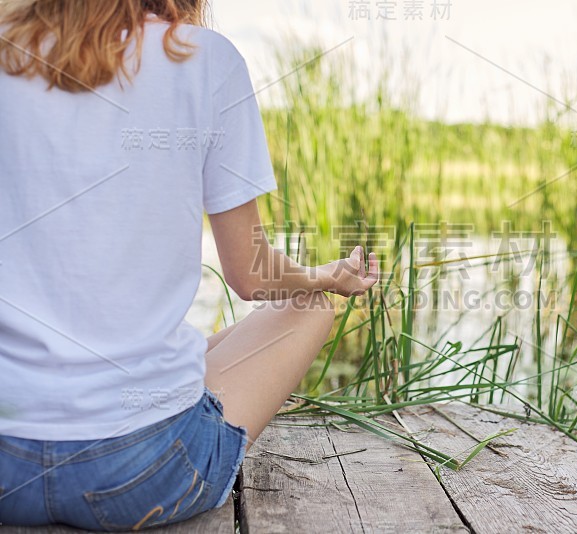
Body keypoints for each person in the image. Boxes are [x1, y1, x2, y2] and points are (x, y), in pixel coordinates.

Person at [0, 0, 379, 529]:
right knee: (309, 307)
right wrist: (326, 277)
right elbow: (251, 274)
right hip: (140, 474)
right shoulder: (206, 60)